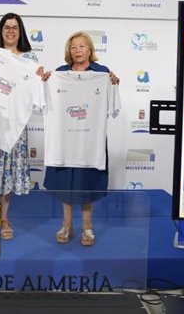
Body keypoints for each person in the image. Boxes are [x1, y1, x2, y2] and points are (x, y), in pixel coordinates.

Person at [42, 32, 120, 247]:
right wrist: (44, 82)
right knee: (66, 185)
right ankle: (66, 225)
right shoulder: (59, 74)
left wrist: (113, 84)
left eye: (82, 46)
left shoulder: (103, 74)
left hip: (89, 142)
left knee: (87, 185)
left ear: (90, 50)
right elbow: (43, 100)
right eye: (73, 47)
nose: (77, 50)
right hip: (65, 143)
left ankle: (87, 226)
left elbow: (114, 106)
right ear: (69, 51)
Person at [0, 13, 43, 240]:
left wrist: (42, 79)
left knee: (8, 170)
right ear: (1, 30)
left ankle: (4, 218)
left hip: (14, 124)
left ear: (20, 31)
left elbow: (38, 89)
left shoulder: (30, 60)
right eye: (7, 27)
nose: (11, 31)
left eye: (15, 27)